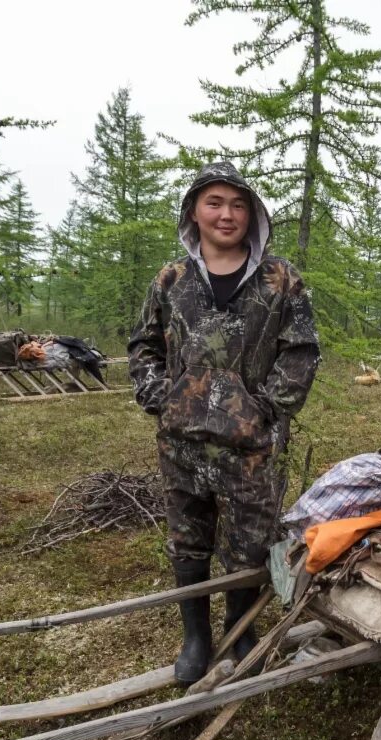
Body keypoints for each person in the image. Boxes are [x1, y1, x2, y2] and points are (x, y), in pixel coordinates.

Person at [128, 161, 319, 685]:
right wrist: (161, 398)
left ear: (253, 214)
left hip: (252, 450)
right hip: (182, 445)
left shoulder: (280, 280)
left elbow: (301, 352)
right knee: (187, 539)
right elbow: (143, 345)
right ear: (195, 211)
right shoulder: (171, 280)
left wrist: (264, 410)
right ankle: (196, 635)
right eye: (215, 203)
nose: (227, 215)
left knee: (248, 542)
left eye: (238, 205)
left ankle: (241, 629)